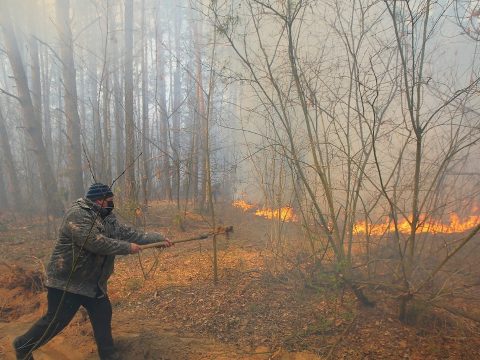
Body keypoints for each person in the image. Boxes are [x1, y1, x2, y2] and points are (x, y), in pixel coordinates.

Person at [12, 183, 172, 360]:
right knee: (56, 322)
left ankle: (109, 355)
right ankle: (23, 346)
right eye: (110, 201)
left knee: (103, 314)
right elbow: (96, 242)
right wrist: (127, 248)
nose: (112, 204)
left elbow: (129, 233)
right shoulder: (77, 215)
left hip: (93, 284)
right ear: (99, 200)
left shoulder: (106, 216)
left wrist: (159, 239)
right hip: (67, 283)